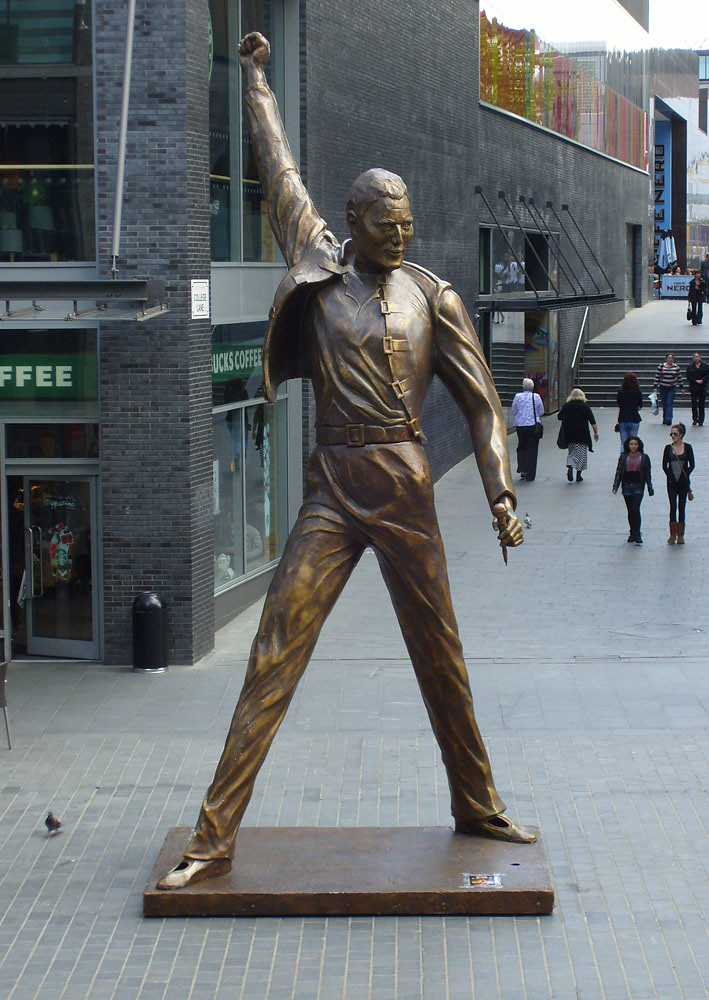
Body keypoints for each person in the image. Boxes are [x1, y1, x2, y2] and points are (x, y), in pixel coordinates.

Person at [158, 31, 533, 892]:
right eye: (385, 225)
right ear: (354, 221)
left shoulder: (434, 297)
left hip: (404, 486)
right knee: (273, 648)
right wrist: (254, 79)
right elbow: (277, 166)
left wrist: (500, 494)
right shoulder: (317, 263)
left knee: (440, 650)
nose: (399, 236)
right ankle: (214, 839)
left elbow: (482, 406)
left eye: (407, 225)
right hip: (332, 486)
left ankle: (476, 804)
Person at [612, 436, 654, 544]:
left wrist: (650, 487)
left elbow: (647, 474)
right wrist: (615, 486)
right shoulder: (623, 457)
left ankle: (637, 533)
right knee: (630, 510)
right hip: (626, 485)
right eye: (631, 444)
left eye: (635, 444)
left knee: (636, 509)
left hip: (638, 486)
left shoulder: (644, 457)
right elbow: (619, 471)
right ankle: (632, 532)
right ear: (628, 445)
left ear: (639, 445)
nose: (633, 446)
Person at [662, 423, 695, 545]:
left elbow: (692, 464)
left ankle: (681, 534)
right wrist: (670, 476)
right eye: (671, 434)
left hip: (683, 482)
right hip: (671, 482)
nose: (672, 436)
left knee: (682, 506)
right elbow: (664, 465)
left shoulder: (688, 447)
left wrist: (685, 474)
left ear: (681, 435)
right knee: (673, 507)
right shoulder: (668, 448)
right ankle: (672, 534)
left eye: (675, 434)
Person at [558, 388, 598, 482]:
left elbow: (559, 417)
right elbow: (592, 421)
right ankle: (578, 475)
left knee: (572, 451)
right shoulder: (585, 407)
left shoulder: (567, 406)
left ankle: (570, 465)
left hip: (569, 433)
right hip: (582, 433)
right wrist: (596, 433)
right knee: (582, 454)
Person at [511, 378, 544, 481]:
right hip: (533, 425)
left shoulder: (518, 396)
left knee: (522, 447)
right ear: (532, 387)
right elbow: (541, 411)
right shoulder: (536, 397)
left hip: (520, 425)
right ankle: (530, 474)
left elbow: (513, 410)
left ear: (523, 386)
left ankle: (522, 469)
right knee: (532, 449)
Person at [615, 372, 642, 452]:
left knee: (624, 442)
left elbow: (618, 403)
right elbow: (640, 405)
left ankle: (623, 460)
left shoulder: (621, 392)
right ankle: (632, 457)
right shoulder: (638, 392)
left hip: (623, 418)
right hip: (634, 418)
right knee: (633, 442)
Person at [653, 352, 682, 425]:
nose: (670, 359)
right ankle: (665, 417)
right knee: (664, 403)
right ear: (666, 359)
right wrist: (655, 386)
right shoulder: (661, 366)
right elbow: (657, 376)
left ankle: (669, 419)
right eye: (669, 358)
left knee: (669, 403)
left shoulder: (676, 367)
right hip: (663, 387)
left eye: (672, 358)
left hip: (672, 387)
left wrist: (681, 387)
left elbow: (679, 378)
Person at [686, 352, 709, 427]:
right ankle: (695, 419)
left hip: (702, 387)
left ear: (700, 358)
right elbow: (688, 376)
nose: (696, 358)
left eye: (697, 357)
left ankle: (701, 420)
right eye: (695, 357)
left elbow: (708, 375)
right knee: (694, 404)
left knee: (701, 404)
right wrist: (695, 380)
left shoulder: (705, 366)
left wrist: (703, 380)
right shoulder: (690, 366)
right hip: (693, 387)